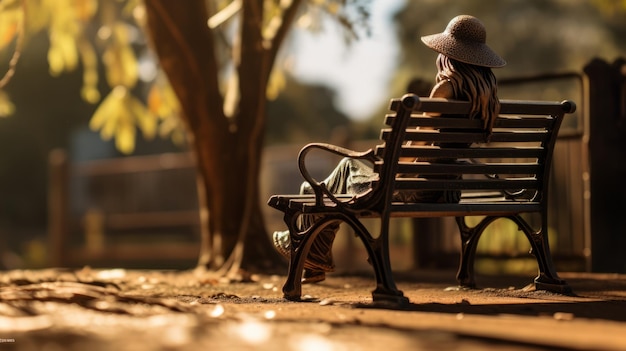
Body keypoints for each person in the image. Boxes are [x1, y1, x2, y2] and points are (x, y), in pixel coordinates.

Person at [273, 15, 506, 284]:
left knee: (343, 170)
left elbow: (414, 150)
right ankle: (313, 257)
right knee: (322, 189)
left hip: (419, 189)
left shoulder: (445, 89)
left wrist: (386, 164)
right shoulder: (486, 95)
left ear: (448, 55)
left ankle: (308, 250)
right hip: (449, 189)